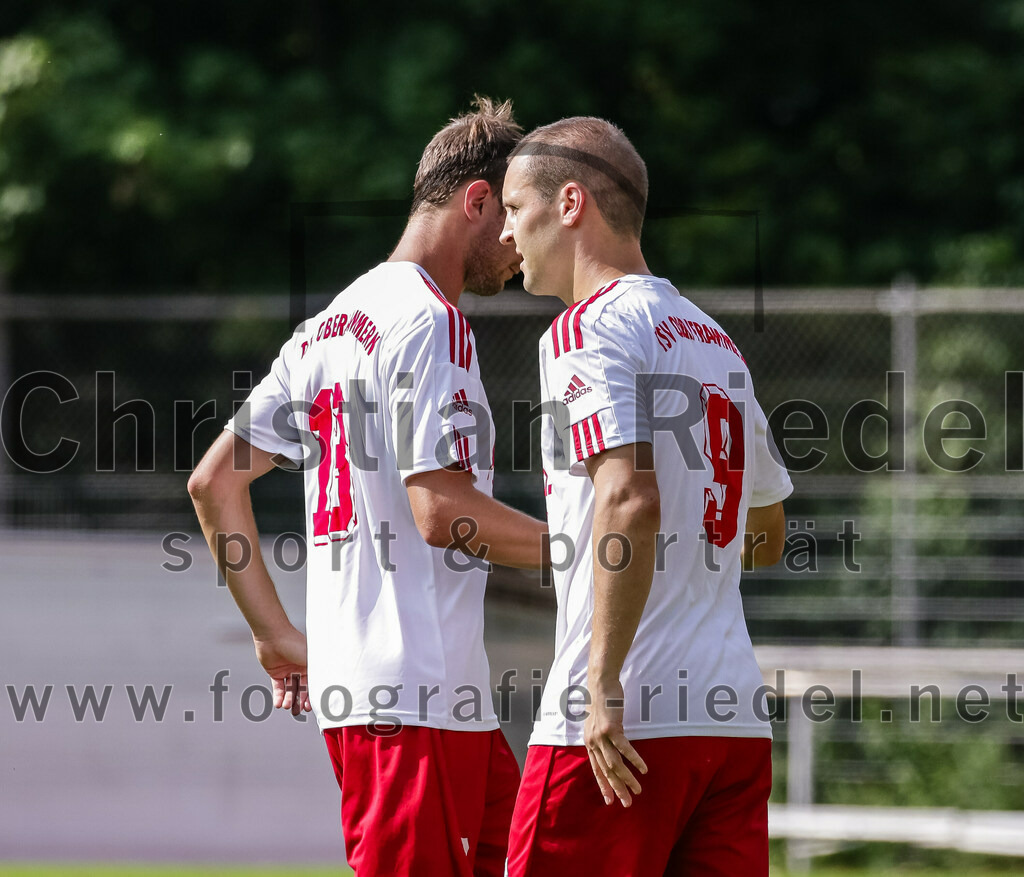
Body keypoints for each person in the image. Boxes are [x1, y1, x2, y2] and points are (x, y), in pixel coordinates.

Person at [188, 96, 548, 877]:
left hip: (434, 698)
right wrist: (584, 551)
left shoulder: (329, 323)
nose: (520, 239)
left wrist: (273, 633)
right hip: (409, 699)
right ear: (475, 200)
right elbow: (442, 508)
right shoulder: (431, 321)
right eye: (514, 212)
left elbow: (214, 482)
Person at [499, 117, 793, 876]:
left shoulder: (583, 330)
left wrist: (601, 685)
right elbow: (767, 530)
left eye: (512, 207)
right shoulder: (716, 342)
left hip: (619, 726)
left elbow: (629, 499)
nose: (506, 234)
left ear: (569, 204)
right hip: (729, 718)